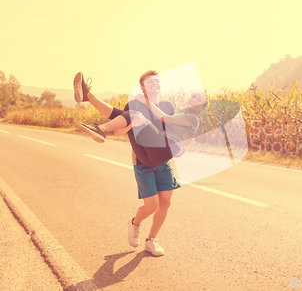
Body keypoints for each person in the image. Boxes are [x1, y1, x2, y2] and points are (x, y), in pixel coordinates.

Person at [73, 71, 200, 256]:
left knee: (165, 202)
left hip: (162, 159)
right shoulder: (134, 106)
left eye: (157, 81)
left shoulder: (166, 106)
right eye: (150, 81)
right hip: (142, 159)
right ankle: (135, 223)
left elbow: (171, 129)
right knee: (151, 206)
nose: (155, 83)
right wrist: (135, 123)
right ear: (142, 87)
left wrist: (185, 138)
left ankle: (151, 240)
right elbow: (120, 132)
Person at [75, 91, 207, 158]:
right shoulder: (179, 115)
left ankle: (101, 129)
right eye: (193, 96)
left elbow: (164, 118)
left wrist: (146, 102)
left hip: (164, 149)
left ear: (201, 109)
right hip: (158, 150)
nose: (194, 99)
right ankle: (89, 96)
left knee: (134, 114)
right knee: (130, 115)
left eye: (199, 100)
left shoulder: (193, 118)